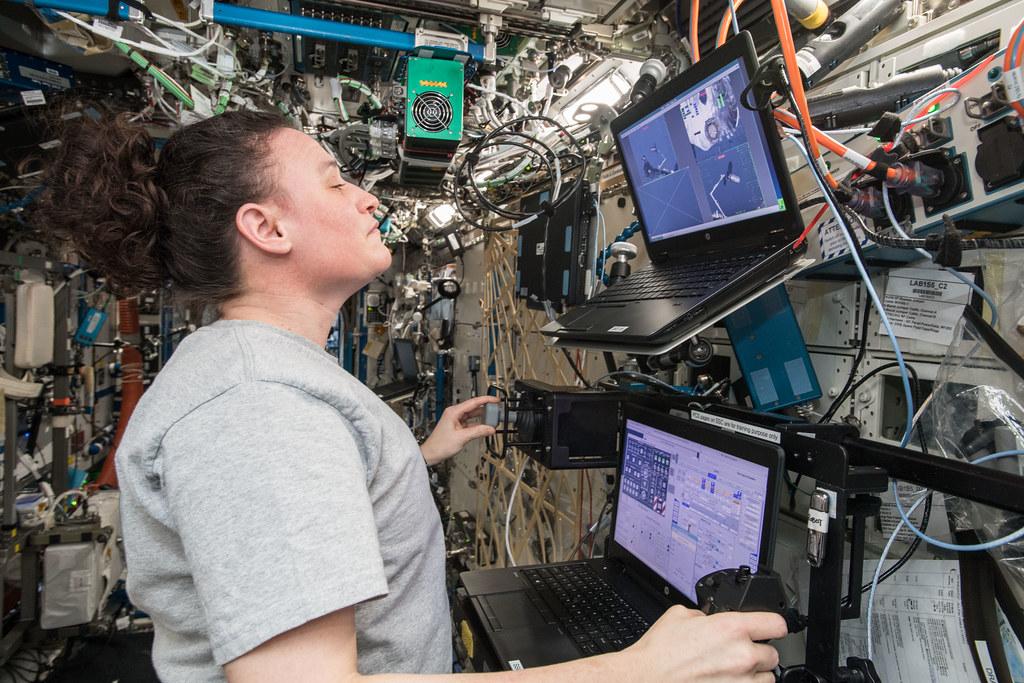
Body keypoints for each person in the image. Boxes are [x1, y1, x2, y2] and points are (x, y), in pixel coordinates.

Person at [36, 110, 786, 683]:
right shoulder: (258, 409)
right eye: (334, 180)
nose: (366, 197)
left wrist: (404, 459)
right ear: (266, 227)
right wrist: (637, 669)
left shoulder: (259, 382)